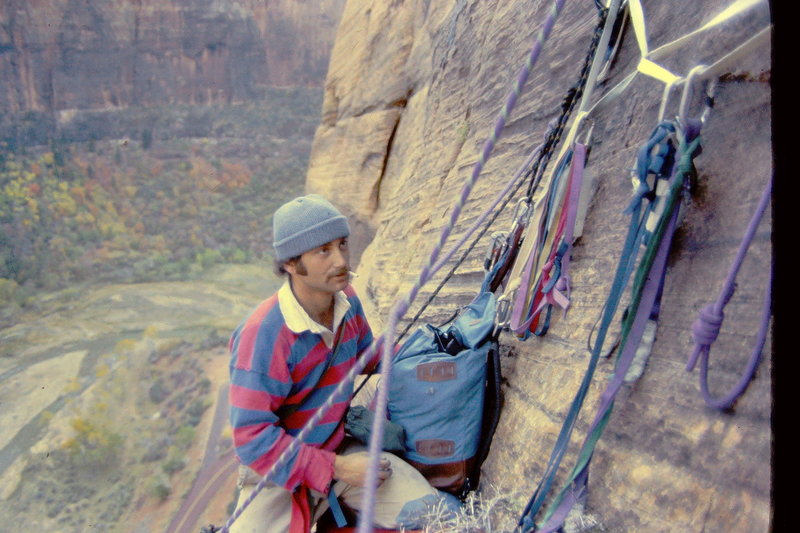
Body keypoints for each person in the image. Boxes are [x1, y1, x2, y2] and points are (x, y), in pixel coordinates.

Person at [227, 194, 452, 533]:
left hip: (340, 449)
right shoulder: (264, 336)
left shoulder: (347, 303)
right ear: (290, 263)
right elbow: (250, 437)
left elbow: (368, 355)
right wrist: (338, 469)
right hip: (278, 475)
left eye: (342, 244)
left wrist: (430, 353)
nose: (340, 259)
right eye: (323, 250)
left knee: (434, 517)